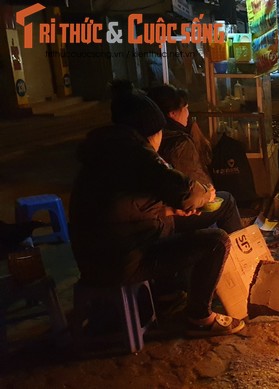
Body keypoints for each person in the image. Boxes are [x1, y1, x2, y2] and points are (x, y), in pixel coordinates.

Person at [69, 82, 245, 337]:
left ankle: (174, 292)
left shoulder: (105, 152)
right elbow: (186, 192)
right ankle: (199, 316)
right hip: (122, 260)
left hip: (95, 257)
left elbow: (123, 206)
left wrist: (168, 211)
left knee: (184, 226)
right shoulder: (136, 153)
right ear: (151, 129)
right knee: (216, 241)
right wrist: (205, 194)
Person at [147, 84, 243, 234]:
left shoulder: (150, 138)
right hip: (172, 215)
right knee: (227, 201)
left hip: (162, 211)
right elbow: (192, 185)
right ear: (172, 113)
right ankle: (242, 254)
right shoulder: (178, 142)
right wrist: (207, 193)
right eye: (185, 108)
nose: (187, 113)